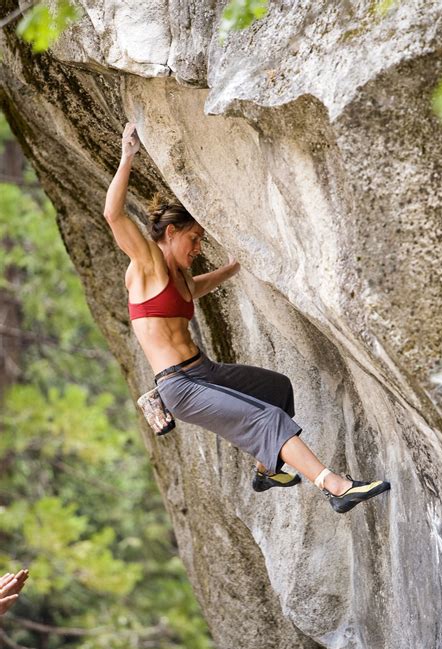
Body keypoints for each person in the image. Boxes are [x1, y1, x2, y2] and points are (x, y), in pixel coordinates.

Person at [103, 123, 390, 513]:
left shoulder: (181, 279)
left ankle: (266, 470)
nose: (198, 248)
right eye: (194, 239)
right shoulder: (147, 264)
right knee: (268, 419)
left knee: (277, 390)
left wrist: (239, 262)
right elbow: (112, 213)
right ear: (170, 233)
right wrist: (127, 155)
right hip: (180, 388)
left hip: (203, 372)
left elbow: (201, 286)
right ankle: (335, 487)